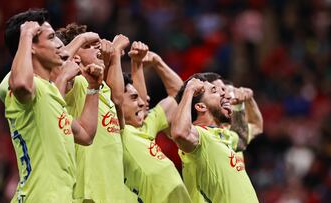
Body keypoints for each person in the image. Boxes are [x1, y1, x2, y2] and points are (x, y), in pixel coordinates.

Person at [0, 9, 103, 203]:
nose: (59, 44)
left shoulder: (51, 93)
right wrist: (27, 34)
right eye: (52, 37)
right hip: (39, 197)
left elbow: (86, 135)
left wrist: (93, 89)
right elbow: (21, 84)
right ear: (32, 46)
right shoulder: (25, 85)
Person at [55, 23, 136, 202]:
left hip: (113, 190)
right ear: (75, 56)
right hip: (88, 191)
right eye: (87, 47)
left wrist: (113, 57)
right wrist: (82, 38)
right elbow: (55, 71)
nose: (97, 48)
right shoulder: (75, 83)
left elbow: (118, 99)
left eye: (96, 45)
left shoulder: (99, 88)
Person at [121, 41, 191, 202]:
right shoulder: (116, 132)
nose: (142, 102)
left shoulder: (146, 126)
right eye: (133, 98)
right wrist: (135, 64)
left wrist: (157, 63)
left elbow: (178, 97)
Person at [171, 74, 259, 202]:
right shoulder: (200, 138)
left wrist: (241, 105)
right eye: (214, 91)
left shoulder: (222, 135)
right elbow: (179, 133)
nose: (224, 94)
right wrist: (189, 90)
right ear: (201, 107)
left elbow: (247, 135)